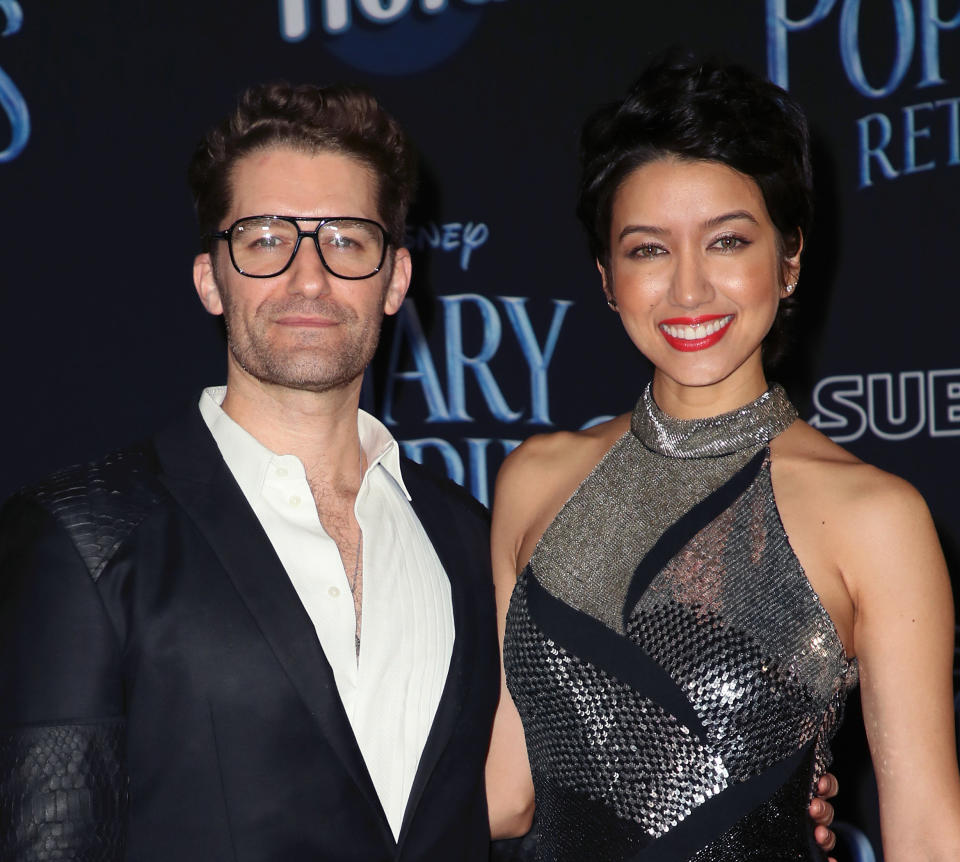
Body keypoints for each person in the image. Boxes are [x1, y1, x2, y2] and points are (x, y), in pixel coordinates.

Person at [0, 83, 500, 861]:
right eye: (266, 239)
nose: (308, 277)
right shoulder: (83, 537)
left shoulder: (470, 542)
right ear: (211, 279)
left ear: (395, 279)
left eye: (346, 238)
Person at [485, 56, 960, 861]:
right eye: (647, 250)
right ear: (606, 276)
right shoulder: (534, 479)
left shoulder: (874, 516)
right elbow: (504, 791)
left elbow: (924, 833)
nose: (691, 289)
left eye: (728, 241)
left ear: (791, 257)